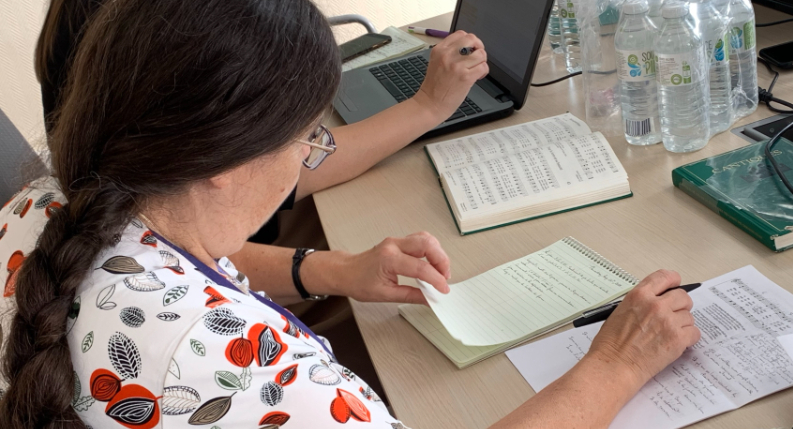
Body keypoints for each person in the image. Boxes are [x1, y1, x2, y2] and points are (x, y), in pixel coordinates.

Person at [0, 2, 700, 429]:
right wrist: (617, 358)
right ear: (225, 161)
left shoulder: (46, 202)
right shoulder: (224, 359)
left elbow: (186, 267)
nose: (311, 153)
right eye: (310, 136)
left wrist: (331, 270)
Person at [34, 0, 488, 306]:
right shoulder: (219, 346)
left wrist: (333, 269)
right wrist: (426, 106)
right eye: (309, 134)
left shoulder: (36, 204)